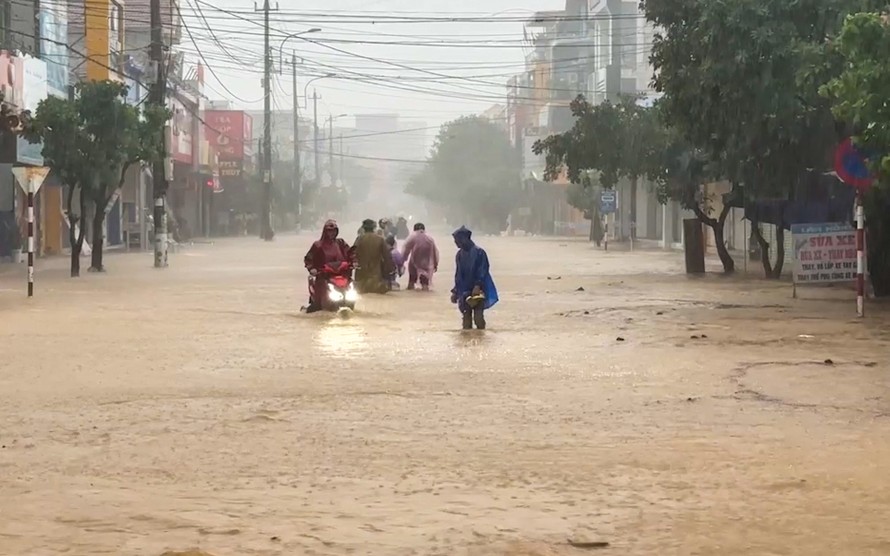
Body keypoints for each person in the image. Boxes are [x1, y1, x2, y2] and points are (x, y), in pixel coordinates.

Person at [451, 226, 498, 330]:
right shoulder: (459, 255)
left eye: (457, 240)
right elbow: (458, 274)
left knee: (478, 317)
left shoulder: (479, 252)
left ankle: (481, 338)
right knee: (466, 318)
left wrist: (478, 285)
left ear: (464, 239)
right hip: (464, 291)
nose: (455, 243)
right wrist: (455, 291)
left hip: (478, 290)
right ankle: (468, 340)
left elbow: (483, 270)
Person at [303, 220, 353, 313]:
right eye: (329, 231)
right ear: (325, 232)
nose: (332, 233)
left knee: (351, 286)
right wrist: (312, 268)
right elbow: (308, 259)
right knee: (317, 305)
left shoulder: (341, 243)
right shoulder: (318, 245)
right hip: (324, 276)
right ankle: (315, 307)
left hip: (341, 276)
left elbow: (351, 254)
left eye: (334, 231)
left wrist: (354, 262)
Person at [354, 218, 394, 294]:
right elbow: (387, 257)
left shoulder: (359, 239)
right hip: (376, 275)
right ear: (374, 227)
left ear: (363, 228)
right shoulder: (380, 239)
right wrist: (390, 269)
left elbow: (353, 254)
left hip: (361, 275)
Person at [402, 222, 439, 291]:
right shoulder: (429, 238)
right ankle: (425, 288)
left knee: (412, 275)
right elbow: (435, 252)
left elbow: (406, 248)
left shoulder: (413, 236)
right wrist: (435, 264)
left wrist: (403, 260)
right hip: (427, 261)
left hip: (415, 259)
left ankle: (411, 285)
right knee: (424, 279)